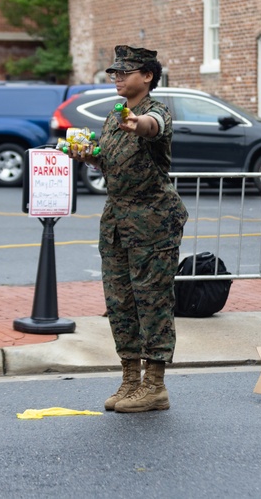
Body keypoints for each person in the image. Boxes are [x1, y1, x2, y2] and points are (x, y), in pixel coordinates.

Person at [68, 45, 188, 413]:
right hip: (118, 222)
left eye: (125, 72)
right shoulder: (114, 116)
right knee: (121, 303)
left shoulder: (155, 112)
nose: (117, 77)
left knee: (152, 302)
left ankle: (155, 385)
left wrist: (140, 124)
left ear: (147, 76)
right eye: (114, 73)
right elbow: (110, 160)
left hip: (153, 221)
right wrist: (89, 154)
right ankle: (130, 380)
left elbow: (155, 128)